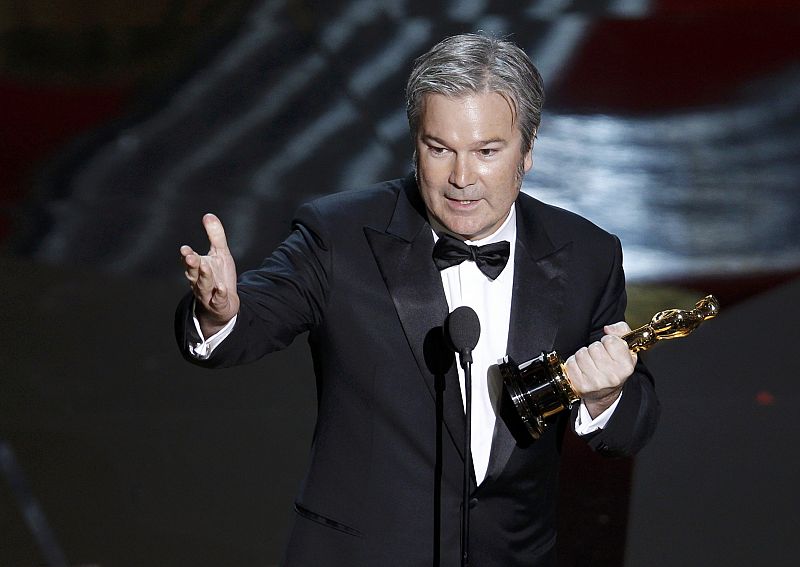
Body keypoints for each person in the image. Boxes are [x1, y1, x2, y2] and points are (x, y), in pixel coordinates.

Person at [175, 33, 659, 567]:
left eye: (487, 151)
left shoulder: (587, 251)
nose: (461, 178)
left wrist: (605, 394)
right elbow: (253, 318)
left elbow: (632, 425)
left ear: (528, 149)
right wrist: (220, 311)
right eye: (440, 148)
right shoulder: (340, 233)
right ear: (415, 144)